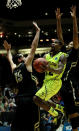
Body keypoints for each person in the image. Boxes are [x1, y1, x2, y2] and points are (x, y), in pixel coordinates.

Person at [3, 21, 40, 131]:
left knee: (19, 124)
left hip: (20, 99)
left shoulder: (14, 69)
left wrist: (8, 50)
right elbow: (33, 47)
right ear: (20, 59)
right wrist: (38, 31)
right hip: (30, 98)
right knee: (33, 124)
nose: (25, 57)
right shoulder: (26, 65)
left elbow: (9, 59)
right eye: (23, 56)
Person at [55, 6, 79, 131]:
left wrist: (74, 19)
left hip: (71, 84)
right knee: (70, 113)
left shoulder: (74, 53)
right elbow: (60, 36)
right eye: (68, 43)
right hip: (61, 84)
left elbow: (75, 35)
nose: (70, 43)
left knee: (74, 113)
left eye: (71, 43)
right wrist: (58, 20)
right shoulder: (64, 53)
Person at [33, 34, 67, 118]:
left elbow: (59, 70)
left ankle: (56, 114)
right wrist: (39, 68)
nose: (52, 44)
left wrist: (48, 68)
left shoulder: (62, 56)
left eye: (55, 43)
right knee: (43, 101)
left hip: (55, 82)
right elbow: (43, 70)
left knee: (36, 99)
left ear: (60, 46)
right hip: (46, 81)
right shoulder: (46, 56)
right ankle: (61, 108)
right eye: (52, 43)